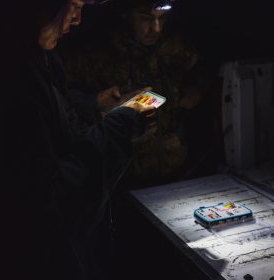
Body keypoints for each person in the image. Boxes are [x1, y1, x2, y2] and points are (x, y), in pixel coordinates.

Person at [1, 0, 154, 280]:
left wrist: (93, 104)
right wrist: (122, 121)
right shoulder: (8, 75)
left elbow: (58, 114)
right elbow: (57, 192)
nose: (77, 20)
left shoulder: (42, 57)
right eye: (74, 6)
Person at [61, 0, 213, 188]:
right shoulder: (96, 52)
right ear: (126, 14)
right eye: (146, 19)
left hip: (176, 168)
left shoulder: (173, 44)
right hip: (121, 176)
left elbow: (201, 69)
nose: (156, 29)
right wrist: (95, 102)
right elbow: (61, 96)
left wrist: (196, 90)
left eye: (162, 18)